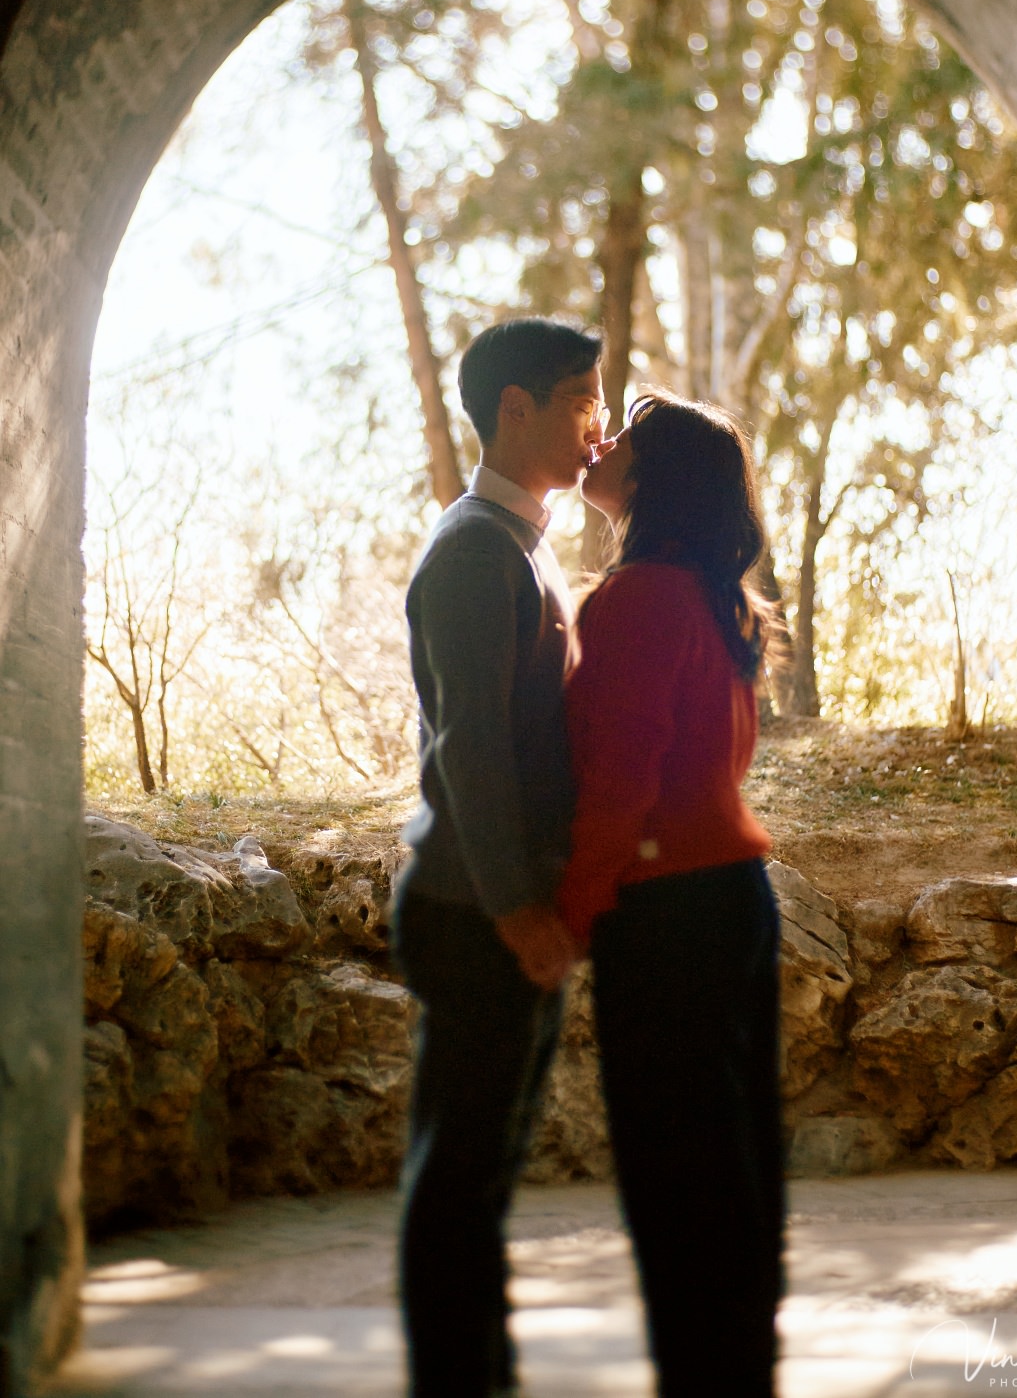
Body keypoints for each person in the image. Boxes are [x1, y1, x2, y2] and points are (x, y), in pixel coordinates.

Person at [391, 316, 605, 1398]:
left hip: (502, 906)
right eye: (579, 401)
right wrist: (521, 906)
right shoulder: (476, 548)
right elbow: (467, 747)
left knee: (481, 1179)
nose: (597, 426)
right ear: (513, 407)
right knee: (459, 1179)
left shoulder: (522, 539)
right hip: (473, 908)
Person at [557, 391, 783, 1398]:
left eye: (624, 439)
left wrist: (568, 917)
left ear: (651, 478)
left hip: (671, 918)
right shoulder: (710, 597)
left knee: (675, 1178)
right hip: (733, 899)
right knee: (735, 1171)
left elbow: (618, 783)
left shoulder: (640, 596)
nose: (600, 444)